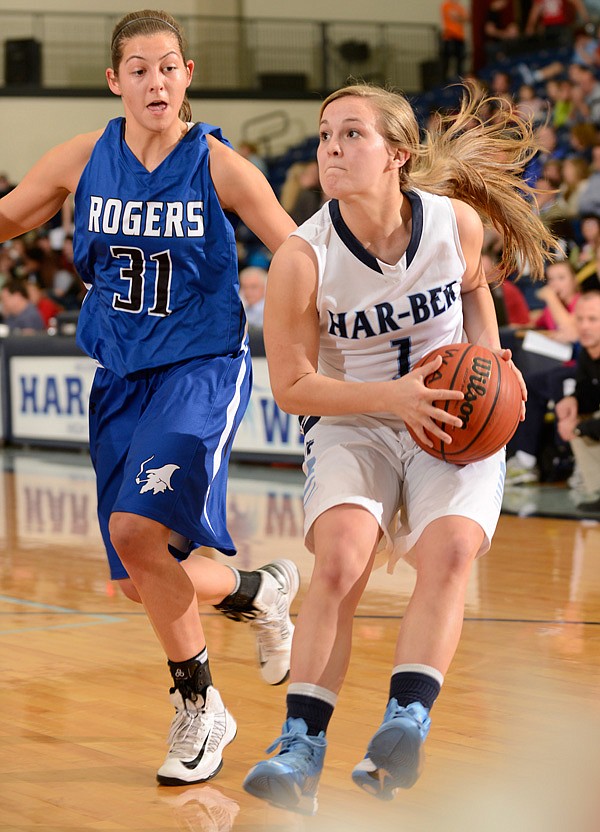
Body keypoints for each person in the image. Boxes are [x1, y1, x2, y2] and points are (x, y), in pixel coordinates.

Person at [0, 9, 300, 788]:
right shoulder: (84, 155)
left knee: (136, 529)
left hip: (199, 368)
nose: (155, 80)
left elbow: (295, 250)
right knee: (139, 575)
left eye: (168, 65)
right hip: (119, 376)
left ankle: (202, 709)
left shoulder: (219, 165)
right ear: (115, 81)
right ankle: (258, 591)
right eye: (138, 67)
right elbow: (11, 216)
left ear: (187, 77)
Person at [242, 82, 556, 814]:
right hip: (356, 417)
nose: (330, 150)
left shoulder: (456, 225)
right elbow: (291, 386)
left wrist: (492, 362)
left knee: (449, 553)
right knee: (344, 558)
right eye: (324, 137)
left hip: (450, 410)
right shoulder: (302, 256)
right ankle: (299, 746)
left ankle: (403, 724)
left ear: (397, 155)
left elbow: (476, 289)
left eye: (351, 135)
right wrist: (393, 399)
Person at [555, 288, 600, 510]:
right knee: (571, 422)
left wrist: (581, 427)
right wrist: (571, 400)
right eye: (580, 319)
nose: (584, 326)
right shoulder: (586, 354)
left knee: (580, 427)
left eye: (593, 319)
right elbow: (587, 396)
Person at [440, 0, 470, 80]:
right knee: (447, 61)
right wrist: (460, 17)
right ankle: (444, 80)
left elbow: (467, 18)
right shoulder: (446, 5)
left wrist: (459, 17)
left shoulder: (460, 7)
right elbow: (454, 17)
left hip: (460, 38)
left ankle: (459, 79)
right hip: (449, 37)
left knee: (460, 61)